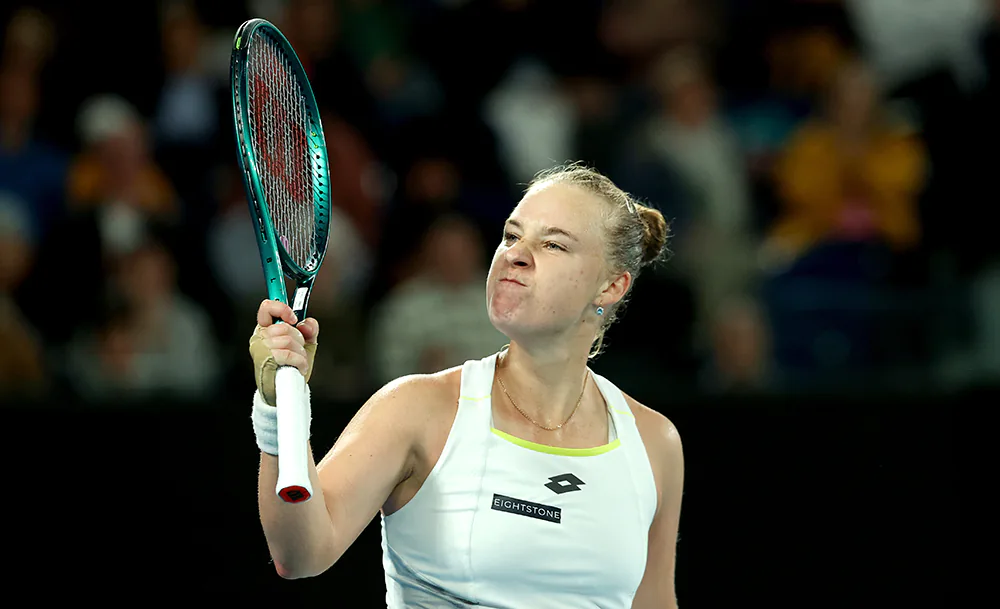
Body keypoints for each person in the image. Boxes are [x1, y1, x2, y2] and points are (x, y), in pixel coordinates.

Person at [247, 162, 684, 608]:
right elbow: (300, 555)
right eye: (512, 236)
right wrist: (277, 410)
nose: (515, 254)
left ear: (611, 286)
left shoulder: (655, 443)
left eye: (553, 244)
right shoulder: (414, 408)